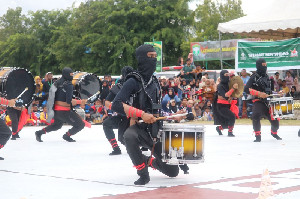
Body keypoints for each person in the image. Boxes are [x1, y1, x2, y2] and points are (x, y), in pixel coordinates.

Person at [111, 44, 181, 185]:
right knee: (129, 135)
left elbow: (157, 108)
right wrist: (141, 114)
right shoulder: (133, 81)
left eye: (155, 56)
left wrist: (172, 115)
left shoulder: (155, 81)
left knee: (173, 171)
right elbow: (116, 104)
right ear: (142, 58)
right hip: (138, 127)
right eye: (150, 56)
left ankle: (149, 161)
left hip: (155, 129)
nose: (154, 59)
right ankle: (142, 172)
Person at [35, 67, 86, 142]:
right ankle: (67, 135)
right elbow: (69, 101)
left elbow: (50, 95)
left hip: (55, 110)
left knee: (57, 125)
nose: (71, 76)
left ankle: (39, 133)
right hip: (64, 111)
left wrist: (38, 98)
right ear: (67, 75)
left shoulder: (56, 83)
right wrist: (81, 102)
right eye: (70, 74)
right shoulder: (69, 85)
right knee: (80, 124)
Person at [244, 58, 282, 142]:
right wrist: (258, 93)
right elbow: (246, 89)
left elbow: (269, 91)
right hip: (259, 101)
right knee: (256, 115)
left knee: (275, 121)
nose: (265, 67)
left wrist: (277, 93)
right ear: (258, 66)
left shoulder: (267, 77)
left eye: (266, 65)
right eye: (263, 65)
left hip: (269, 101)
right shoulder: (253, 77)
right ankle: (258, 135)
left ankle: (274, 132)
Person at [102, 66, 133, 155]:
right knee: (107, 124)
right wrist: (117, 107)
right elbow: (107, 102)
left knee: (125, 138)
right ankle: (116, 148)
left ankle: (142, 145)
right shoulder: (118, 87)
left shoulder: (138, 85)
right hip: (123, 116)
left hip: (136, 116)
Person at [213, 70, 238, 137]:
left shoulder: (229, 84)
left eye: (228, 75)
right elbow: (225, 95)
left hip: (228, 105)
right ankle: (230, 132)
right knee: (232, 117)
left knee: (228, 122)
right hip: (221, 106)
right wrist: (233, 89)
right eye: (226, 75)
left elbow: (233, 93)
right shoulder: (220, 86)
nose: (227, 76)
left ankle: (219, 128)